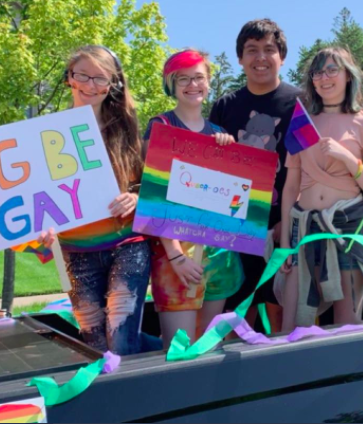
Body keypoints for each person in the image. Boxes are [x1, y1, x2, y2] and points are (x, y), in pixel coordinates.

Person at [37, 45, 156, 356]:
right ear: (69, 79)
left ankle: (140, 395)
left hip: (127, 245)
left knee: (120, 339)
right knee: (96, 345)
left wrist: (135, 197)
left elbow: (150, 185)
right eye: (83, 75)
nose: (91, 85)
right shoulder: (46, 134)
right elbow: (37, 194)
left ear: (112, 84)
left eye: (100, 79)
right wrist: (42, 227)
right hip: (76, 252)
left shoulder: (128, 129)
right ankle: (165, 356)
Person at [279, 47, 363, 332]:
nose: (324, 78)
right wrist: (284, 245)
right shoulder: (302, 121)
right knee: (292, 325)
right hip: (304, 230)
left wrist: (348, 159)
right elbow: (291, 186)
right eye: (318, 72)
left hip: (348, 230)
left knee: (347, 326)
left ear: (348, 76)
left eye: (332, 70)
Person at [143, 50, 243, 347]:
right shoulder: (161, 126)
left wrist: (231, 154)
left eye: (198, 77)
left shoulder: (219, 133)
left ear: (209, 82)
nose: (192, 84)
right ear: (171, 85)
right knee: (179, 348)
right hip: (176, 253)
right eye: (183, 78)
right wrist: (175, 255)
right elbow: (153, 197)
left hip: (218, 253)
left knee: (206, 346)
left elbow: (233, 200)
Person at [208, 19, 302, 332]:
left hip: (284, 226)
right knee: (236, 313)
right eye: (251, 50)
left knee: (280, 311)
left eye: (268, 49)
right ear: (240, 59)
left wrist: (286, 222)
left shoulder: (302, 104)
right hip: (235, 226)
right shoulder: (225, 106)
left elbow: (311, 167)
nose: (260, 57)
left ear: (282, 57)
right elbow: (211, 167)